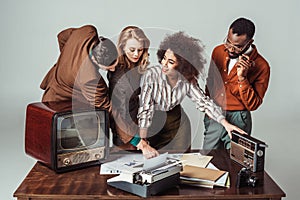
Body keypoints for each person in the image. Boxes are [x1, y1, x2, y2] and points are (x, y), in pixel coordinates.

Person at [136, 32, 246, 159]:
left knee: (181, 162)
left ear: (182, 65)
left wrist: (225, 123)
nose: (164, 64)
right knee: (153, 161)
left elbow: (204, 102)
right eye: (164, 58)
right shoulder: (151, 75)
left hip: (178, 123)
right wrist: (143, 141)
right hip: (153, 121)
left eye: (171, 61)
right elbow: (145, 109)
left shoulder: (187, 80)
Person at [204, 17, 270, 149]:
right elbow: (210, 82)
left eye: (237, 46)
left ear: (249, 42)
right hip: (215, 113)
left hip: (239, 117)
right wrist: (209, 109)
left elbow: (253, 104)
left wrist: (242, 78)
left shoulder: (262, 66)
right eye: (228, 42)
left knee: (235, 161)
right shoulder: (218, 52)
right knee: (208, 158)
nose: (231, 49)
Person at [40, 25, 118, 111]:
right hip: (58, 102)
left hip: (55, 87)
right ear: (95, 60)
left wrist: (66, 59)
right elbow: (106, 107)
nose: (113, 70)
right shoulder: (90, 78)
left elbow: (62, 36)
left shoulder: (88, 31)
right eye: (108, 68)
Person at [108, 26, 150, 149]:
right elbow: (119, 114)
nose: (136, 54)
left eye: (140, 49)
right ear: (122, 48)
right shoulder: (118, 75)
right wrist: (136, 140)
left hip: (138, 124)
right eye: (132, 50)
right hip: (125, 133)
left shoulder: (137, 64)